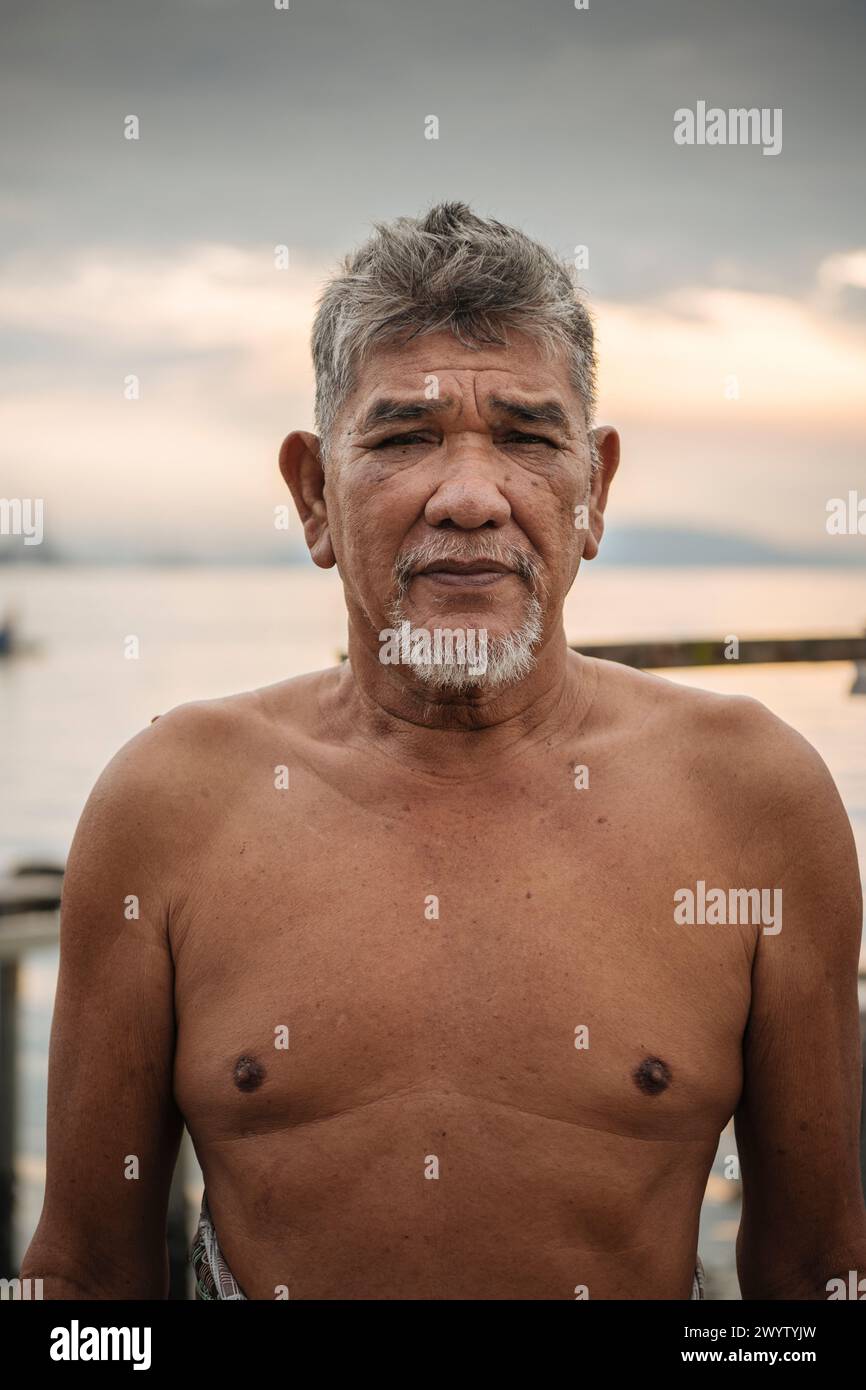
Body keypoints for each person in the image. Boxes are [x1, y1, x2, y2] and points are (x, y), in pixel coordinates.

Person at [22, 203, 866, 1299]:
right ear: (313, 496)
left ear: (593, 489)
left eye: (524, 436)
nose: (470, 496)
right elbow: (85, 1285)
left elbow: (815, 1276)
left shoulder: (754, 801)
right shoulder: (170, 805)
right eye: (402, 437)